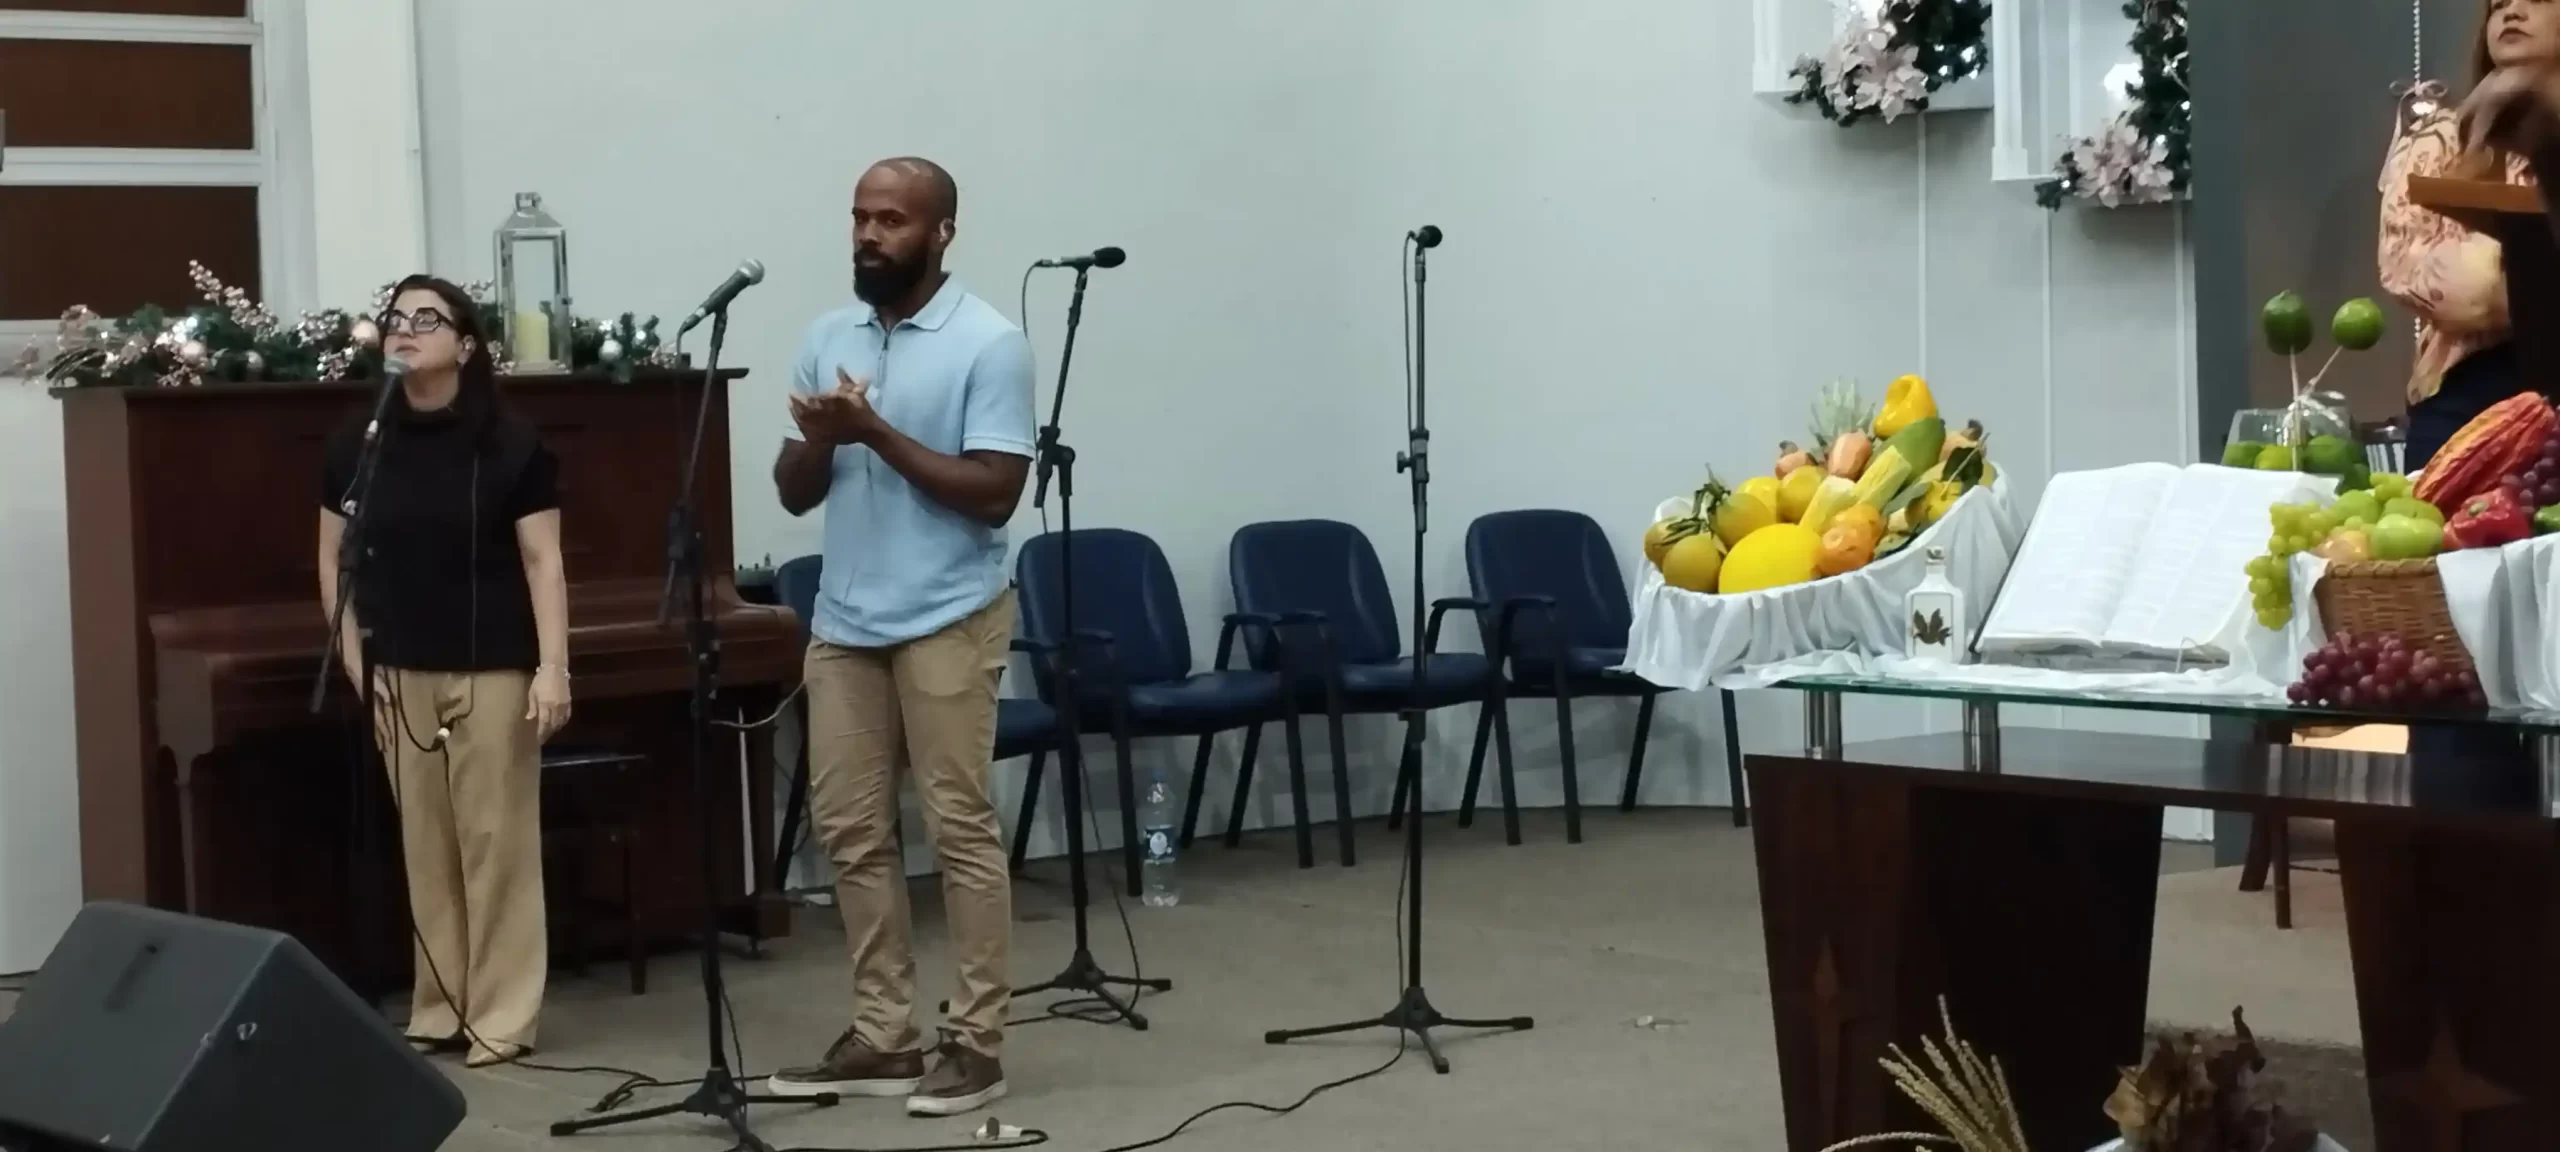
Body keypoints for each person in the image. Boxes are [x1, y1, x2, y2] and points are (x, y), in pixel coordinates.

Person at [764, 158, 1035, 1118]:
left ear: (941, 232)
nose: (869, 235)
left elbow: (996, 492)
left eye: (891, 220)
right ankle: (884, 1034)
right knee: (848, 827)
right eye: (860, 218)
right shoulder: (828, 335)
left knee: (958, 829)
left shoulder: (988, 342)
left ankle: (978, 1042)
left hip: (949, 614)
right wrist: (824, 434)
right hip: (846, 621)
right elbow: (793, 491)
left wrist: (872, 430)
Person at [317, 274, 572, 1069]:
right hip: (399, 666)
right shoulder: (359, 444)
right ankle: (441, 1004)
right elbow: (332, 561)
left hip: (492, 666)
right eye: (396, 317)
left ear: (464, 345)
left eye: (426, 318)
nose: (406, 328)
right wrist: (355, 661)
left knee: (494, 844)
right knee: (426, 847)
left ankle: (502, 1015)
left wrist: (553, 668)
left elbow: (543, 560)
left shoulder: (511, 443)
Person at [2378, 0, 2554, 468]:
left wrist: (2501, 264)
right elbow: (2429, 278)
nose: (2511, 12)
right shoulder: (2439, 137)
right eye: (2498, 5)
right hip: (2468, 389)